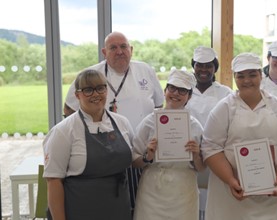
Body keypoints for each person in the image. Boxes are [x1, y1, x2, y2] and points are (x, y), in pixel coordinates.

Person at [63, 31, 164, 213]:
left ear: (131, 49)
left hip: (141, 155)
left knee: (144, 208)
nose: (119, 51)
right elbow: (69, 108)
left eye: (124, 46)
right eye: (113, 48)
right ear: (104, 52)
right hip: (107, 155)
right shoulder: (90, 74)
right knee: (116, 207)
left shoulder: (145, 70)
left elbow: (158, 106)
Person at [201, 53, 277, 220]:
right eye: (241, 76)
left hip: (272, 195)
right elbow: (210, 148)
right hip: (229, 197)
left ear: (261, 75)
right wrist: (231, 180)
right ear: (234, 77)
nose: (247, 80)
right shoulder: (224, 109)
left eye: (252, 75)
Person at [43, 69, 134, 220]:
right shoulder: (63, 131)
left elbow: (134, 159)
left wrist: (148, 154)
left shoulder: (122, 123)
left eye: (100, 88)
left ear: (106, 91)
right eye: (88, 90)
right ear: (77, 95)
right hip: (80, 210)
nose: (95, 94)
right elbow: (53, 181)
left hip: (118, 208)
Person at [132, 69, 204, 220]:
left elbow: (201, 168)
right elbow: (134, 161)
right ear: (165, 91)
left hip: (183, 192)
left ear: (189, 97)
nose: (176, 93)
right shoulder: (149, 122)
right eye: (172, 88)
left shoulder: (196, 126)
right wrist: (147, 156)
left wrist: (196, 154)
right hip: (152, 192)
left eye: (182, 91)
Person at [185, 46, 232, 217]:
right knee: (192, 199)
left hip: (217, 153)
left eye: (208, 65)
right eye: (199, 65)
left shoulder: (225, 93)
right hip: (189, 153)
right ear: (193, 66)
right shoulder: (185, 91)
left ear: (215, 67)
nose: (203, 70)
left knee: (214, 197)